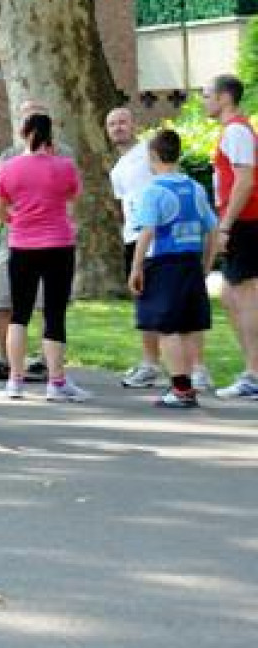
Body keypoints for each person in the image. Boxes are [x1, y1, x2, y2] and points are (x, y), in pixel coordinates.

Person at [0, 112, 87, 402]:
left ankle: (15, 381)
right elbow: (73, 198)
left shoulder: (8, 168)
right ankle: (56, 382)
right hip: (59, 244)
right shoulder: (65, 166)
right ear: (50, 135)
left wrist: (18, 220)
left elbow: (0, 209)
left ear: (24, 133)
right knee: (54, 314)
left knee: (19, 314)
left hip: (21, 245)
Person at [129, 129, 218, 409]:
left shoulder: (154, 191)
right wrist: (206, 264)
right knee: (189, 326)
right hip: (191, 262)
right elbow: (212, 230)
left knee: (167, 329)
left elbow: (146, 233)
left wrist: (136, 268)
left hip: (164, 265)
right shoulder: (196, 188)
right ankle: (188, 384)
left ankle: (181, 389)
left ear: (153, 156)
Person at [0, 100, 50, 384]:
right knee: (3, 300)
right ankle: (3, 359)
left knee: (46, 303)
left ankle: (45, 361)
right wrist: (9, 217)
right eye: (26, 118)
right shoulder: (8, 156)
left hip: (49, 241)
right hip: (14, 240)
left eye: (36, 117)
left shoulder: (61, 155)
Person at [108, 106, 175, 391]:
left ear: (134, 124)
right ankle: (151, 364)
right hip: (133, 238)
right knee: (143, 301)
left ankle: (181, 367)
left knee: (164, 302)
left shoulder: (149, 152)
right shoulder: (117, 169)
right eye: (112, 124)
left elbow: (170, 181)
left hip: (158, 237)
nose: (118, 127)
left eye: (123, 122)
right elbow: (124, 205)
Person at [205, 75, 258, 401]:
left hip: (245, 222)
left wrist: (225, 225)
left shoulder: (237, 131)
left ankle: (255, 374)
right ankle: (252, 371)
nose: (204, 101)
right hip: (242, 221)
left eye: (207, 95)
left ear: (224, 97)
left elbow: (245, 181)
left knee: (243, 295)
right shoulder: (234, 130)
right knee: (230, 295)